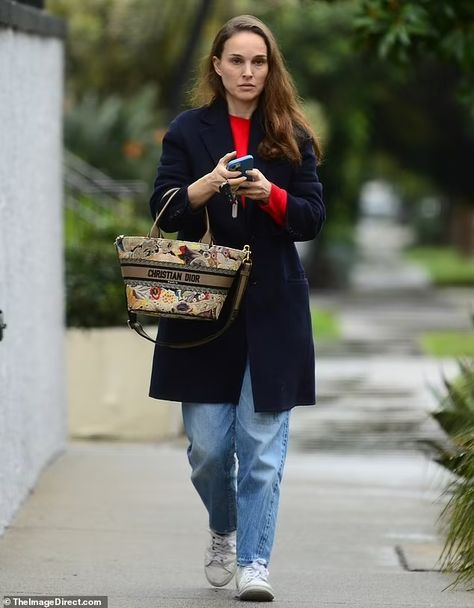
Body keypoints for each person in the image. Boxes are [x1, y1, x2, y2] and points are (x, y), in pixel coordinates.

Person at [149, 14, 325, 602]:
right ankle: (223, 527)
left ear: (270, 69)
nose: (248, 71)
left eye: (259, 61)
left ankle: (254, 561)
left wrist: (268, 194)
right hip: (202, 305)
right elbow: (165, 208)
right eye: (237, 60)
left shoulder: (292, 134)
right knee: (208, 451)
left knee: (261, 452)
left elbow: (312, 217)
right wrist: (208, 184)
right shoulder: (187, 130)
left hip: (275, 307)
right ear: (218, 67)